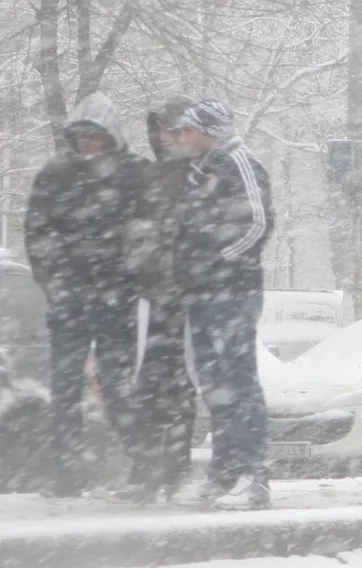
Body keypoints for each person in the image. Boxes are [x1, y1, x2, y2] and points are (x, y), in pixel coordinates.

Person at [23, 92, 149, 497]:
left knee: (116, 385)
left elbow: (151, 232)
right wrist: (57, 283)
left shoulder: (136, 175)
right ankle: (68, 472)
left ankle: (142, 463)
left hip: (118, 301)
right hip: (70, 300)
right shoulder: (56, 175)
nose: (88, 144)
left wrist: (129, 278)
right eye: (82, 137)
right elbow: (38, 233)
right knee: (64, 387)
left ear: (112, 136)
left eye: (96, 136)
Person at [169, 99, 275, 509]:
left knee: (241, 383)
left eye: (188, 130)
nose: (182, 137)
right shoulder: (201, 172)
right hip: (201, 295)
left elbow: (259, 223)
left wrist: (219, 262)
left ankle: (256, 473)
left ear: (209, 130)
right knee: (215, 386)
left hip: (233, 292)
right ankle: (225, 471)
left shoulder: (240, 164)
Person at [105, 96, 201, 504]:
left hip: (187, 297)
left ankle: (174, 468)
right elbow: (137, 226)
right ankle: (148, 467)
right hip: (153, 296)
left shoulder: (199, 174)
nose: (167, 136)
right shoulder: (155, 174)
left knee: (179, 386)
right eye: (162, 129)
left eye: (175, 129)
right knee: (148, 385)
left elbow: (194, 231)